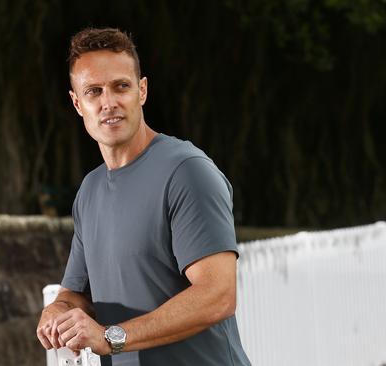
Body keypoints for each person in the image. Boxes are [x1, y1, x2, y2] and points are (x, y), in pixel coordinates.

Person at [36, 27, 251, 366]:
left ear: (142, 90)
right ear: (78, 103)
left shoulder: (187, 171)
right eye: (94, 91)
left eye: (121, 86)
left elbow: (217, 295)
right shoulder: (89, 192)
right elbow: (76, 292)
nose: (109, 103)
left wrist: (112, 337)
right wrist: (58, 310)